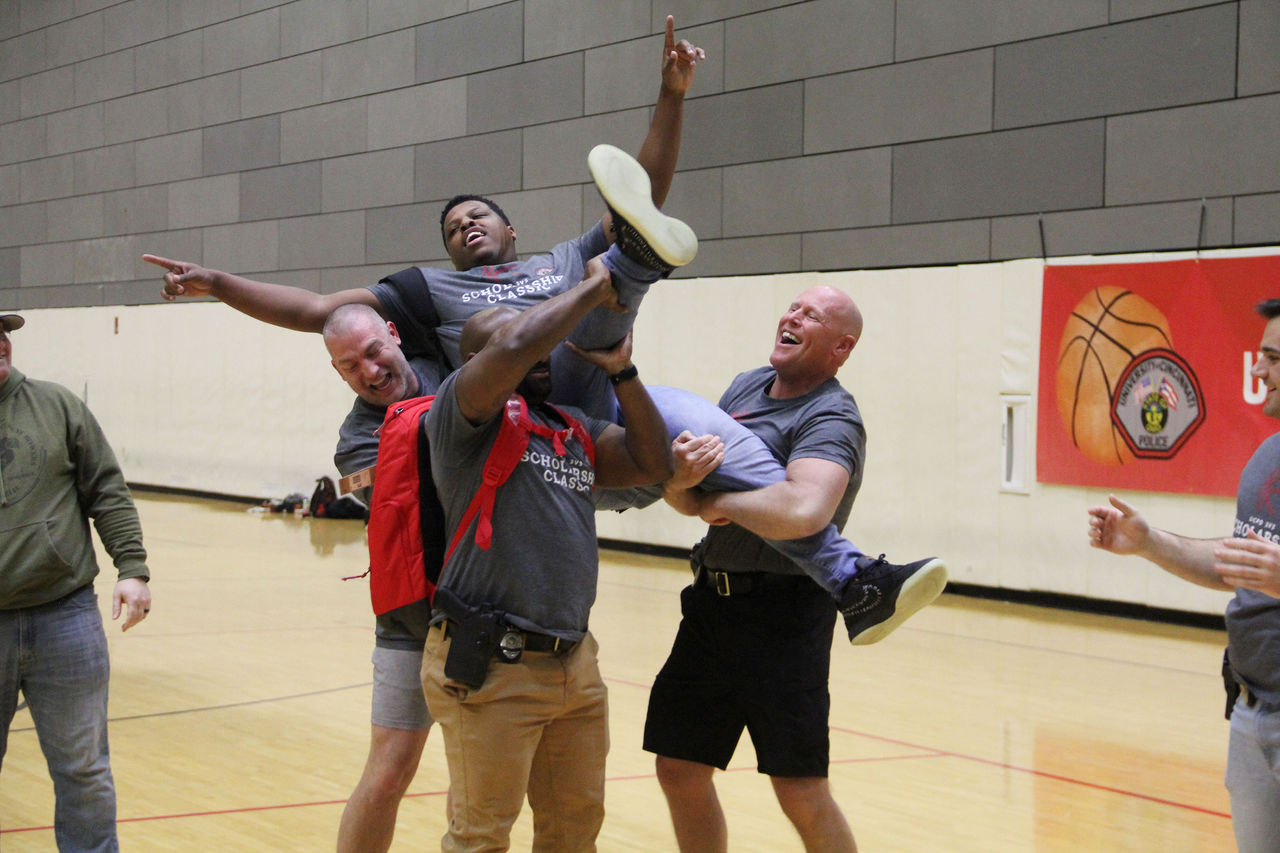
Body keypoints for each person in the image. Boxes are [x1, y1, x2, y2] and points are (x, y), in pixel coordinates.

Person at [644, 286, 947, 853]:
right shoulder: (745, 386)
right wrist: (683, 485)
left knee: (799, 788)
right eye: (793, 307)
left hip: (785, 615)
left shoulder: (832, 416)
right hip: (711, 602)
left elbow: (804, 511)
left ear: (841, 347)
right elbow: (691, 497)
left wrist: (723, 505)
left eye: (813, 316)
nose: (793, 317)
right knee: (679, 767)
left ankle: (865, 580)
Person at [422, 255, 673, 851]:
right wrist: (593, 291)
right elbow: (515, 344)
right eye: (513, 341)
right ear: (475, 361)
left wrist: (622, 371)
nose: (534, 351)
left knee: (573, 832)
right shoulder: (460, 416)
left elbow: (654, 465)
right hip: (493, 668)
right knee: (481, 835)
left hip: (574, 664)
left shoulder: (570, 426)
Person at [1087, 297, 1280, 853]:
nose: (1258, 370)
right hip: (1251, 710)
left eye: (1271, 356)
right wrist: (1150, 544)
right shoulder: (1268, 455)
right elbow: (1240, 564)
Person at [0, 312, 153, 853]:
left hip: (65, 618)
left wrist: (131, 568)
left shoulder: (57, 406)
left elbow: (106, 490)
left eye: (0, 333)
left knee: (84, 771)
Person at [322, 303, 445, 853]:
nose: (369, 372)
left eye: (373, 351)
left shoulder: (451, 366)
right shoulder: (355, 442)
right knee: (390, 769)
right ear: (338, 373)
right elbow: (427, 501)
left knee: (486, 776)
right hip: (411, 616)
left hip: (490, 605)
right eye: (351, 366)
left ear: (394, 334)